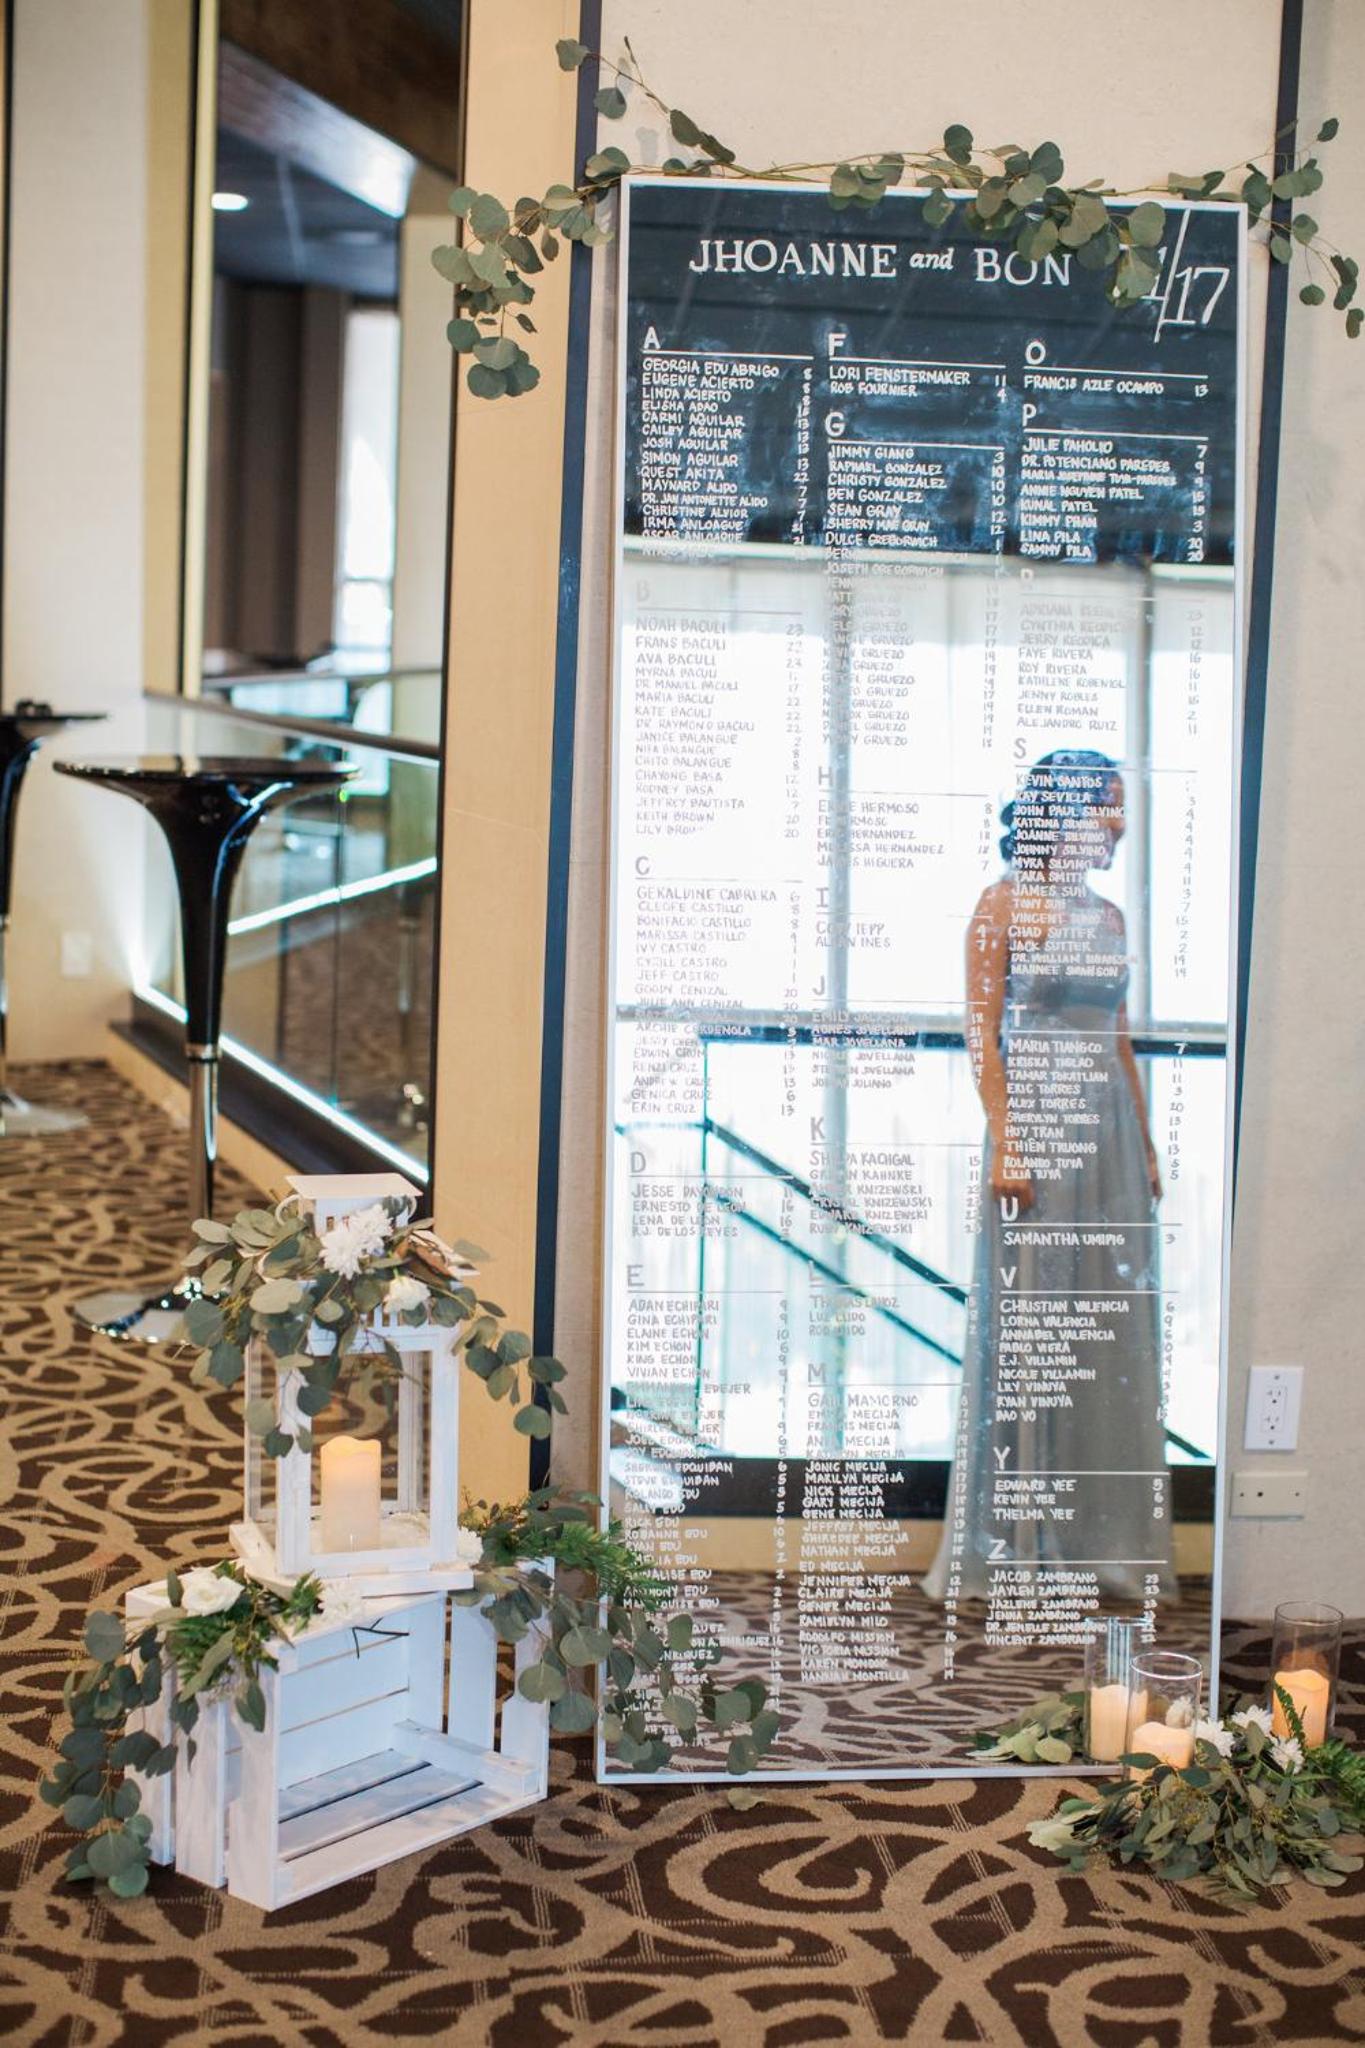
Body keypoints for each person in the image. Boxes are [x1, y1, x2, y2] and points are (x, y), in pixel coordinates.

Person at [923, 750, 1175, 1606]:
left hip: (1108, 1140)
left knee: (1106, 1333)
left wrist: (1144, 1143)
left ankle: (1103, 1542)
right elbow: (981, 1035)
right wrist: (1007, 1144)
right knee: (1030, 1326)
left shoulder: (1109, 916)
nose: (1119, 823)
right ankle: (1018, 1545)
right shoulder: (998, 905)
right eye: (1108, 806)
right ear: (1064, 811)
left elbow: (1119, 1038)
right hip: (1035, 1129)